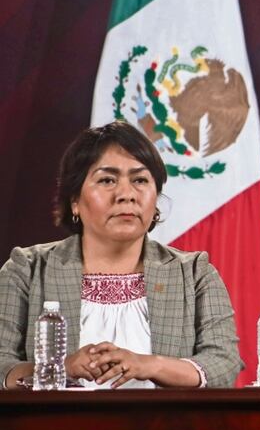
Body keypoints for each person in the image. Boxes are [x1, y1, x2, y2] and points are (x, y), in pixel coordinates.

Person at [0, 121, 243, 389]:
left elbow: (225, 363)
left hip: (167, 429)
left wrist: (150, 364)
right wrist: (59, 368)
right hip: (56, 429)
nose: (126, 195)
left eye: (140, 180)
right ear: (75, 201)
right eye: (107, 180)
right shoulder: (27, 270)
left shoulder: (195, 273)